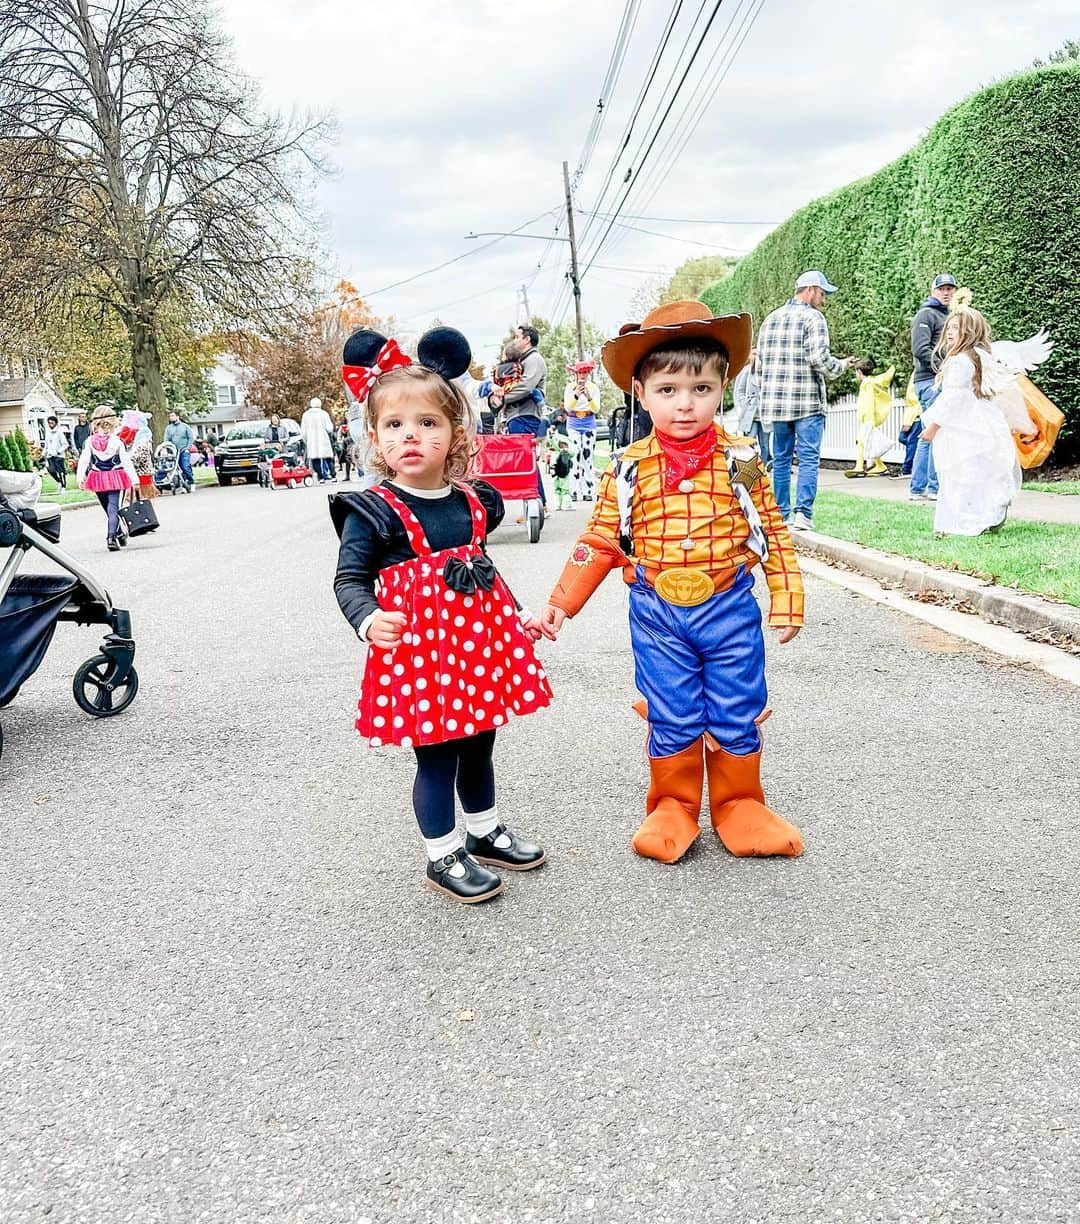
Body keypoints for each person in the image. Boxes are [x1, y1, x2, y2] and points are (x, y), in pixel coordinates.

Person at [540, 300, 805, 867]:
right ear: (641, 392)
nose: (685, 404)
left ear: (723, 388)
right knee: (673, 710)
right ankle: (673, 805)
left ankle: (740, 804)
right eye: (668, 390)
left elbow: (771, 528)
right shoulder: (627, 466)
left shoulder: (744, 461)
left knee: (737, 705)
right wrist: (563, 601)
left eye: (702, 389)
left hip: (729, 606)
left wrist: (786, 596)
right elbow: (601, 536)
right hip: (657, 612)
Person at [334, 324, 553, 904]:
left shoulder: (472, 502)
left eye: (427, 424)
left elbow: (481, 569)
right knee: (437, 755)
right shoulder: (373, 511)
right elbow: (349, 579)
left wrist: (521, 612)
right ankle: (442, 854)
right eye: (395, 426)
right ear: (376, 439)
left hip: (478, 649)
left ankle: (483, 830)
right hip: (419, 655)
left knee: (480, 740)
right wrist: (367, 618)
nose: (411, 436)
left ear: (455, 433)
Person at [921, 308, 1045, 537]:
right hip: (980, 420)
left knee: (961, 474)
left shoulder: (959, 361)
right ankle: (990, 511)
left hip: (964, 426)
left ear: (968, 332)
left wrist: (933, 425)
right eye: (948, 327)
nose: (949, 332)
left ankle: (964, 520)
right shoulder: (976, 356)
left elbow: (954, 397)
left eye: (955, 328)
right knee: (980, 471)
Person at [756, 270, 854, 529]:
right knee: (809, 458)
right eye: (822, 293)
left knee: (781, 459)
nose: (823, 299)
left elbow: (760, 366)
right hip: (807, 402)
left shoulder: (770, 319)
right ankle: (803, 515)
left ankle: (780, 514)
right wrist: (841, 366)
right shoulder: (813, 318)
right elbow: (819, 360)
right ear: (809, 290)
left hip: (776, 405)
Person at [908, 274, 956, 502]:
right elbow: (920, 349)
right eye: (942, 289)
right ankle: (931, 488)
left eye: (950, 289)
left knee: (930, 432)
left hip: (940, 380)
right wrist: (943, 368)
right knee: (933, 432)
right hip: (930, 381)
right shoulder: (926, 314)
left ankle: (920, 488)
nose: (946, 293)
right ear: (933, 290)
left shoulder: (948, 316)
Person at [77, 404, 136, 551]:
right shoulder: (117, 441)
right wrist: (134, 480)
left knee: (107, 508)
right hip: (116, 476)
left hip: (97, 477)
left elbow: (84, 460)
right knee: (113, 508)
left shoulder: (89, 441)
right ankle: (112, 536)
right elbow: (126, 461)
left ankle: (117, 533)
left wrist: (80, 477)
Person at [844, 359, 895, 477]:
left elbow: (868, 402)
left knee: (862, 442)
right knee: (864, 441)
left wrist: (868, 419)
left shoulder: (867, 383)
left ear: (859, 371)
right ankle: (879, 466)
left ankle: (859, 467)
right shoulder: (870, 382)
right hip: (867, 418)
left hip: (867, 419)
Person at [563, 359, 601, 502]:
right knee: (575, 454)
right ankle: (573, 490)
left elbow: (596, 409)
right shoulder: (570, 388)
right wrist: (577, 395)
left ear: (589, 373)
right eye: (580, 373)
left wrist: (589, 396)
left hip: (588, 422)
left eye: (585, 373)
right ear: (576, 374)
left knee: (587, 456)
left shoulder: (593, 388)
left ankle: (588, 490)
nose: (583, 376)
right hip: (573, 422)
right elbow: (568, 407)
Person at [733, 346, 770, 469]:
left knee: (765, 444)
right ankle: (748, 467)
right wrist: (744, 406)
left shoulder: (767, 373)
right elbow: (739, 391)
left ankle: (762, 468)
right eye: (753, 353)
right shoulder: (746, 372)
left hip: (764, 415)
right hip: (750, 414)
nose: (756, 356)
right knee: (749, 441)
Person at [301, 396, 335, 483]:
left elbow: (303, 431)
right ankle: (333, 475)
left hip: (311, 439)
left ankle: (321, 478)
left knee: (315, 458)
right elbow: (329, 428)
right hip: (323, 438)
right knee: (328, 457)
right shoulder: (324, 414)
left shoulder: (305, 415)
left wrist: (306, 440)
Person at [164, 411, 195, 491]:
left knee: (185, 466)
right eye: (170, 416)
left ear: (177, 416)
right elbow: (166, 439)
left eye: (173, 416)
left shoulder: (185, 426)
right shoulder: (169, 428)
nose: (171, 417)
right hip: (174, 452)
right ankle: (184, 485)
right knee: (178, 469)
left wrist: (187, 448)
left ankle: (191, 482)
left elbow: (191, 438)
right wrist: (167, 448)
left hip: (184, 450)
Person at [42, 415, 70, 489]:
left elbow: (65, 444)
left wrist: (58, 451)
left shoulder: (59, 432)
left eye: (52, 423)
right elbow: (46, 445)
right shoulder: (47, 433)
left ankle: (63, 486)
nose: (50, 424)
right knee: (51, 470)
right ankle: (59, 482)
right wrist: (44, 453)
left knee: (60, 472)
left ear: (56, 423)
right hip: (50, 456)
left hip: (59, 456)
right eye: (49, 423)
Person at [550, 438, 572, 510]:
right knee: (566, 490)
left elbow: (552, 465)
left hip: (556, 475)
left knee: (557, 490)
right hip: (564, 475)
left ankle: (558, 505)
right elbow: (573, 453)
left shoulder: (554, 453)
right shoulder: (566, 454)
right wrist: (567, 450)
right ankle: (566, 505)